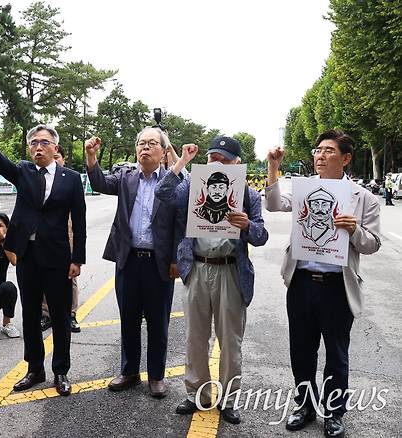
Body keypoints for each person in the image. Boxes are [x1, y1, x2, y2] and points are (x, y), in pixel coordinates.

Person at [265, 130, 381, 438]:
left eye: (328, 151)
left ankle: (334, 412)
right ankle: (304, 405)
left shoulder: (363, 198)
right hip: (301, 282)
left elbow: (372, 244)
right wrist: (274, 167)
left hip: (338, 286)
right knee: (302, 350)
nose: (320, 155)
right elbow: (273, 205)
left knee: (336, 354)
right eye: (317, 150)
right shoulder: (304, 188)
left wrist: (355, 230)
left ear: (345, 158)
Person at [155, 135, 268, 423]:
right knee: (195, 336)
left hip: (231, 270)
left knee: (230, 340)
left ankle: (229, 398)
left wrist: (247, 225)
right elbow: (163, 193)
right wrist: (182, 161)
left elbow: (261, 236)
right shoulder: (192, 186)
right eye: (212, 158)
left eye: (223, 160)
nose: (216, 163)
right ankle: (197, 393)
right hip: (197, 267)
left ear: (237, 163)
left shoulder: (248, 194)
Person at [0, 121, 86, 396]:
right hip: (27, 254)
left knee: (60, 315)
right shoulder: (23, 171)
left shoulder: (71, 178)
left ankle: (61, 370)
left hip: (58, 256)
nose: (38, 147)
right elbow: (0, 162)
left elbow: (80, 221)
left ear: (55, 147)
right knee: (31, 314)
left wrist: (77, 259)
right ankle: (35, 368)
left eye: (44, 142)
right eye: (34, 143)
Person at [85, 127, 183, 399]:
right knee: (128, 319)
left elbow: (180, 223)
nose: (145, 147)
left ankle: (156, 376)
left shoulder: (173, 182)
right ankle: (129, 371)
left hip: (158, 264)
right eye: (141, 143)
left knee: (158, 323)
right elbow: (99, 183)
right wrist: (91, 157)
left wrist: (176, 259)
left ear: (164, 151)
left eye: (152, 143)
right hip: (128, 261)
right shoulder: (126, 178)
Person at [41, 145, 81, 333]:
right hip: (45, 236)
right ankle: (46, 313)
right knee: (43, 275)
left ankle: (71, 314)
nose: (54, 160)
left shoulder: (70, 179)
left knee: (70, 276)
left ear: (63, 160)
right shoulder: (41, 177)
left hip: (67, 233)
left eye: (57, 157)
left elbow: (79, 218)